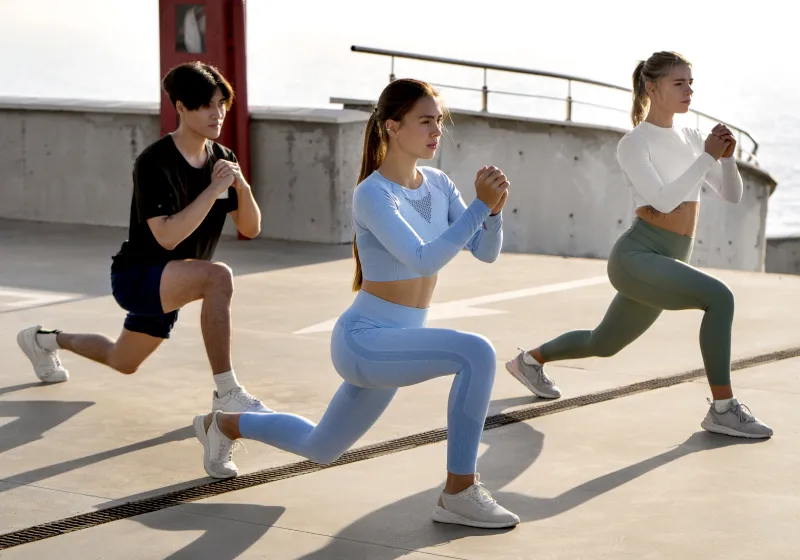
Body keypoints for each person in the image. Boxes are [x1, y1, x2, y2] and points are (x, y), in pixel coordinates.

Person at [193, 78, 520, 528]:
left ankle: (225, 424)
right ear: (392, 126)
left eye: (439, 121)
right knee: (477, 352)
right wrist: (479, 209)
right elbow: (424, 259)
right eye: (425, 121)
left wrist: (494, 212)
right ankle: (458, 491)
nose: (436, 130)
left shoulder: (440, 184)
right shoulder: (373, 193)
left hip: (400, 341)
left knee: (321, 447)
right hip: (365, 341)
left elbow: (484, 251)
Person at [506, 51, 773, 439]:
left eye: (691, 83)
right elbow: (663, 201)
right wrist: (706, 159)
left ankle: (528, 361)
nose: (689, 90)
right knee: (720, 298)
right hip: (638, 256)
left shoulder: (692, 137)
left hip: (669, 257)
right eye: (679, 83)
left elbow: (730, 194)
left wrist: (726, 160)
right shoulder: (634, 143)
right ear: (653, 87)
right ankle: (723, 408)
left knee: (604, 343)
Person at [17, 61, 271, 414]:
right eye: (206, 105)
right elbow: (166, 237)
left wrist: (241, 185)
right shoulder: (155, 162)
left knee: (121, 359)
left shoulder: (222, 158)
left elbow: (251, 228)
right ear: (181, 107)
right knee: (218, 276)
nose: (218, 114)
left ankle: (44, 340)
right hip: (138, 276)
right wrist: (214, 189)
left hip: (174, 280)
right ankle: (227, 392)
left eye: (221, 104)